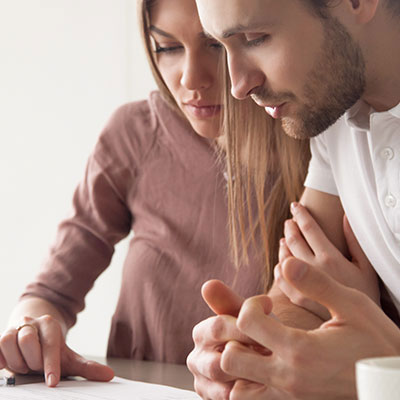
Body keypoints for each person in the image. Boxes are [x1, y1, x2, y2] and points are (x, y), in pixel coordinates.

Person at [0, 0, 291, 388]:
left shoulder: (319, 152)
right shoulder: (136, 133)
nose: (191, 79)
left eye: (216, 45)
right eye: (167, 48)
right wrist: (30, 331)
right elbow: (51, 291)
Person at [188, 0, 400, 398]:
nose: (237, 85)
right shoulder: (336, 113)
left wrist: (382, 372)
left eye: (255, 38)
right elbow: (300, 296)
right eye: (222, 46)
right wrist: (256, 348)